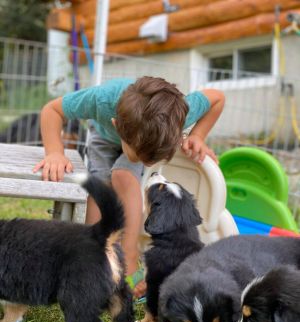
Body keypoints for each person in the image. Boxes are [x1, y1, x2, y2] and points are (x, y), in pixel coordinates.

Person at [33, 76, 225, 298]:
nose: (148, 165)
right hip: (105, 139)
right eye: (143, 158)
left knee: (124, 175)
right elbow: (52, 110)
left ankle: (130, 255)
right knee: (101, 188)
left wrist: (198, 136)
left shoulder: (180, 110)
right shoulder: (101, 100)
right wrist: (55, 152)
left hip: (143, 139)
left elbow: (217, 98)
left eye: (153, 160)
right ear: (117, 124)